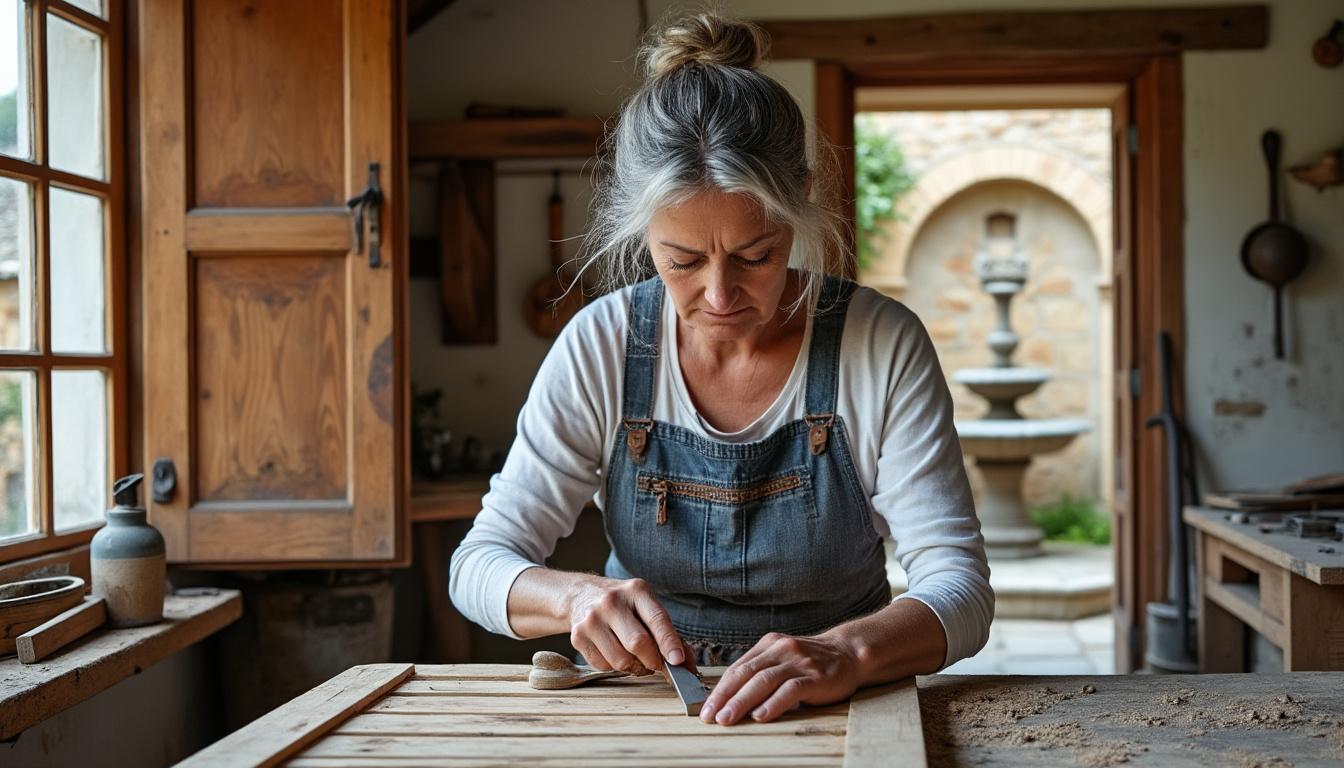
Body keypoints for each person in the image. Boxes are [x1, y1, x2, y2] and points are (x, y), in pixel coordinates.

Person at [450, 12, 992, 726]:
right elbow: (478, 564)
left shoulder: (880, 344)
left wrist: (849, 652)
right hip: (645, 712)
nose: (718, 295)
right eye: (681, 260)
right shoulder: (602, 345)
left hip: (838, 710)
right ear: (643, 232)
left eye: (755, 255)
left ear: (798, 202)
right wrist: (574, 599)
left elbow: (960, 589)